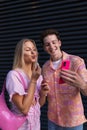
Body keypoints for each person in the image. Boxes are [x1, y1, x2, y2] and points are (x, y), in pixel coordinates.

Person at [40, 29, 87, 130]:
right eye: (47, 44)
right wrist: (43, 92)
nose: (52, 47)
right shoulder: (44, 68)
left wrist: (82, 85)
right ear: (44, 48)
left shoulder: (76, 62)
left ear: (59, 43)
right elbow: (43, 96)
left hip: (73, 121)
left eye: (54, 42)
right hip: (53, 120)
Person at [5, 38, 49, 130]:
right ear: (20, 54)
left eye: (34, 49)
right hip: (20, 127)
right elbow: (24, 109)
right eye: (28, 50)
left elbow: (38, 105)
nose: (33, 52)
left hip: (36, 126)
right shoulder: (13, 75)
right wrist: (33, 81)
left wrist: (43, 93)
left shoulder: (38, 75)